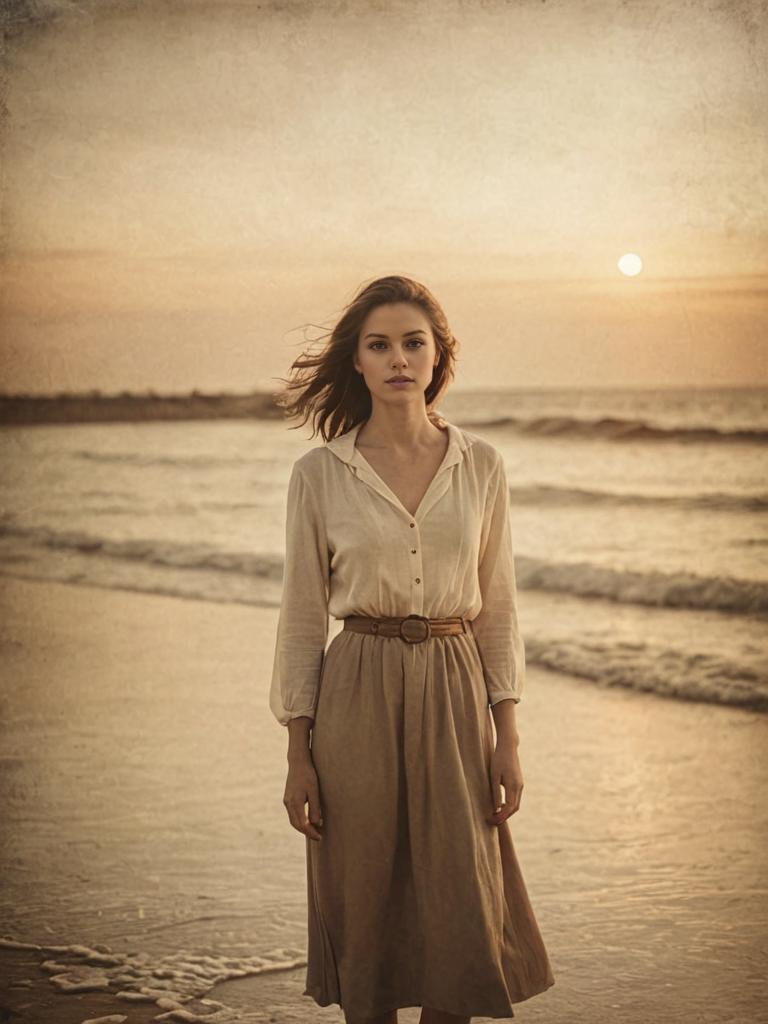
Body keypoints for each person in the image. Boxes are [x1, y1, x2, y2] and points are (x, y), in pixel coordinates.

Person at [269, 275, 555, 1024]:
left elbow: (498, 606)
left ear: (438, 356)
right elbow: (302, 618)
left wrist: (509, 734)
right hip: (356, 684)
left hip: (458, 682)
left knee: (459, 903)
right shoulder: (319, 474)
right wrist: (298, 752)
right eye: (379, 344)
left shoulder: (482, 464)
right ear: (357, 362)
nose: (398, 357)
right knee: (363, 900)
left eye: (413, 342)